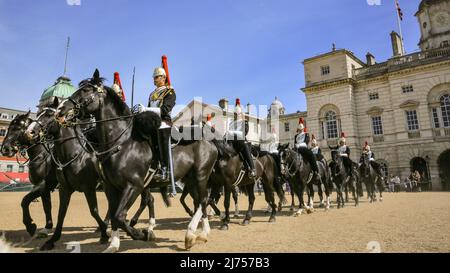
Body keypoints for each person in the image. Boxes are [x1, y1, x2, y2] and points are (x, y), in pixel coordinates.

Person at [137, 61, 176, 182]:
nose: (154, 79)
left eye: (157, 77)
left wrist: (146, 109)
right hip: (152, 123)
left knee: (161, 134)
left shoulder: (169, 92)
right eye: (154, 77)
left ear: (164, 78)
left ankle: (165, 169)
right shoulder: (152, 94)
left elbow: (165, 110)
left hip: (164, 122)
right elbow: (149, 111)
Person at [225, 98, 256, 178]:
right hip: (231, 142)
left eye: (237, 114)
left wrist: (232, 132)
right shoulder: (231, 123)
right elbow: (229, 133)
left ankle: (252, 168)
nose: (235, 115)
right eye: (235, 114)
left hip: (240, 142)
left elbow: (243, 134)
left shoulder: (244, 122)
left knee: (244, 145)